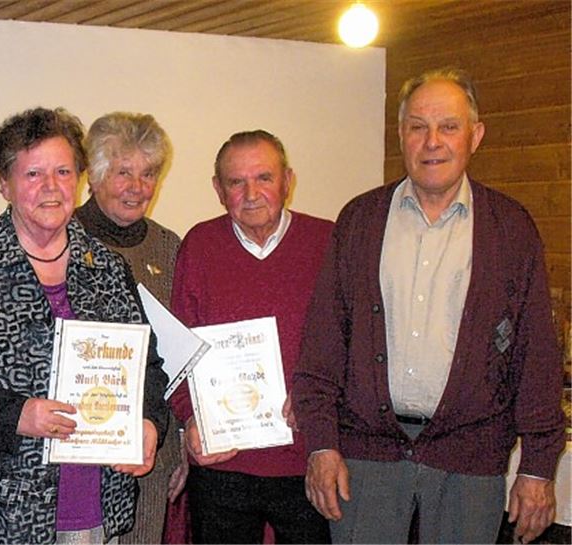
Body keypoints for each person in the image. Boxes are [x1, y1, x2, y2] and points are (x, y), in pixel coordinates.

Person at [292, 68, 565, 544]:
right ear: (401, 135)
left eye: (449, 126)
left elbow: (536, 354)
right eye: (417, 126)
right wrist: (321, 444)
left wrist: (539, 468)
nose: (432, 141)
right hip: (366, 459)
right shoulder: (360, 220)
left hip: (470, 462)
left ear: (475, 136)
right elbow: (323, 343)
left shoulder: (511, 230)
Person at [0, 107, 169, 544]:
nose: (51, 187)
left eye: (63, 171)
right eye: (32, 174)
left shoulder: (109, 269)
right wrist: (17, 415)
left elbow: (149, 369)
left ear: (80, 178)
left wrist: (149, 422)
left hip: (96, 505)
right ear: (5, 185)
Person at [167, 130, 333, 543]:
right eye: (236, 182)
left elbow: (352, 344)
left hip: (305, 458)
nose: (252, 193)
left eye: (264, 177)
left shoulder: (328, 242)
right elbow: (176, 351)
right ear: (218, 190)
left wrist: (319, 399)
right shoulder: (199, 245)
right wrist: (189, 418)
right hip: (223, 463)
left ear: (287, 181)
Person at [74, 112, 181, 544]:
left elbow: (180, 355)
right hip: (78, 445)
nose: (138, 187)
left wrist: (180, 448)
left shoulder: (169, 247)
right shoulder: (62, 239)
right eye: (123, 172)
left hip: (149, 446)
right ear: (95, 177)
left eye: (148, 173)